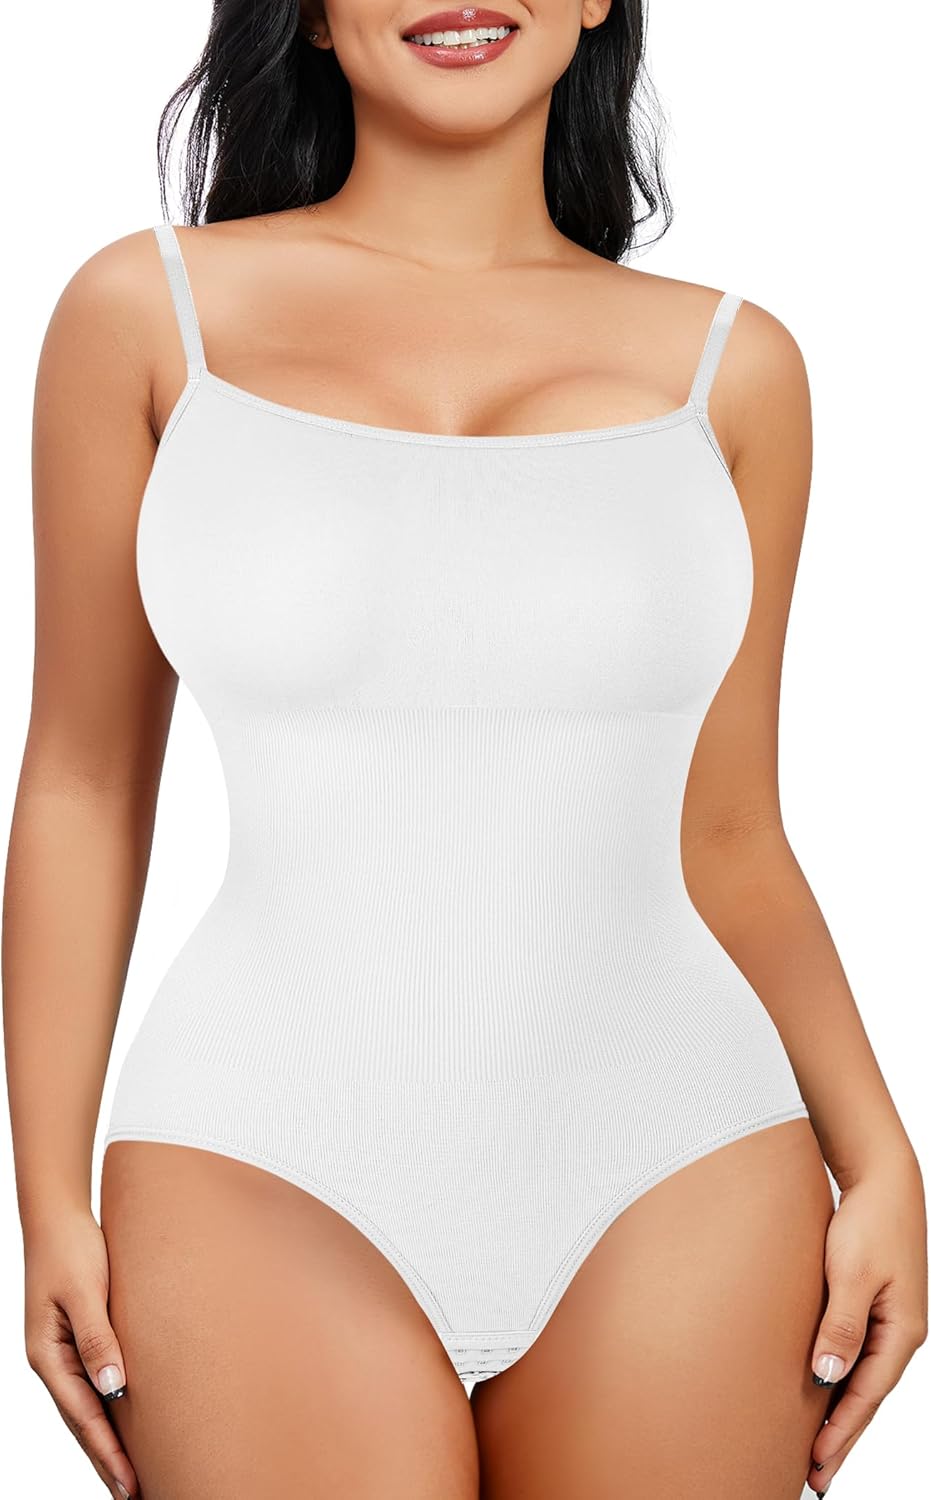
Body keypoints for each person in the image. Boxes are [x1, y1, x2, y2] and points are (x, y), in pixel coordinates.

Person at [4, 3, 927, 1497]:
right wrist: (44, 1197)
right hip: (258, 1150)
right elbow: (82, 786)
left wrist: (882, 1156)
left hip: (681, 1156)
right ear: (309, 12)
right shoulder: (146, 317)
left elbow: (730, 834)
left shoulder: (736, 368)